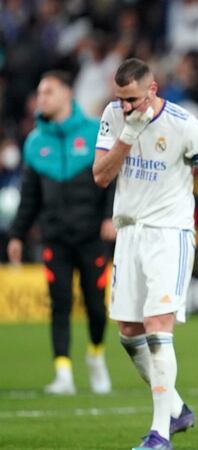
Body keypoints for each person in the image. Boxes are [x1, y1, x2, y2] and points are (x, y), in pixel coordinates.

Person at [92, 58, 198, 450]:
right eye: (120, 99)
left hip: (170, 234)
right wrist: (127, 135)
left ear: (153, 90)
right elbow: (101, 176)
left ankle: (159, 434)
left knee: (156, 327)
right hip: (129, 233)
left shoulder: (185, 126)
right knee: (128, 333)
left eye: (132, 99)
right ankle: (178, 409)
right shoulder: (114, 116)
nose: (125, 106)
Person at [7, 71, 114, 395]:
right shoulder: (35, 142)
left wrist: (111, 217)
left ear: (68, 94)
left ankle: (96, 356)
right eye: (40, 93)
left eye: (48, 92)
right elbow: (29, 196)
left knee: (97, 306)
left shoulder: (95, 131)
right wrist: (17, 235)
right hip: (55, 238)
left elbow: (112, 179)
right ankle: (63, 372)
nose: (41, 98)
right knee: (60, 303)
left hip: (92, 236)